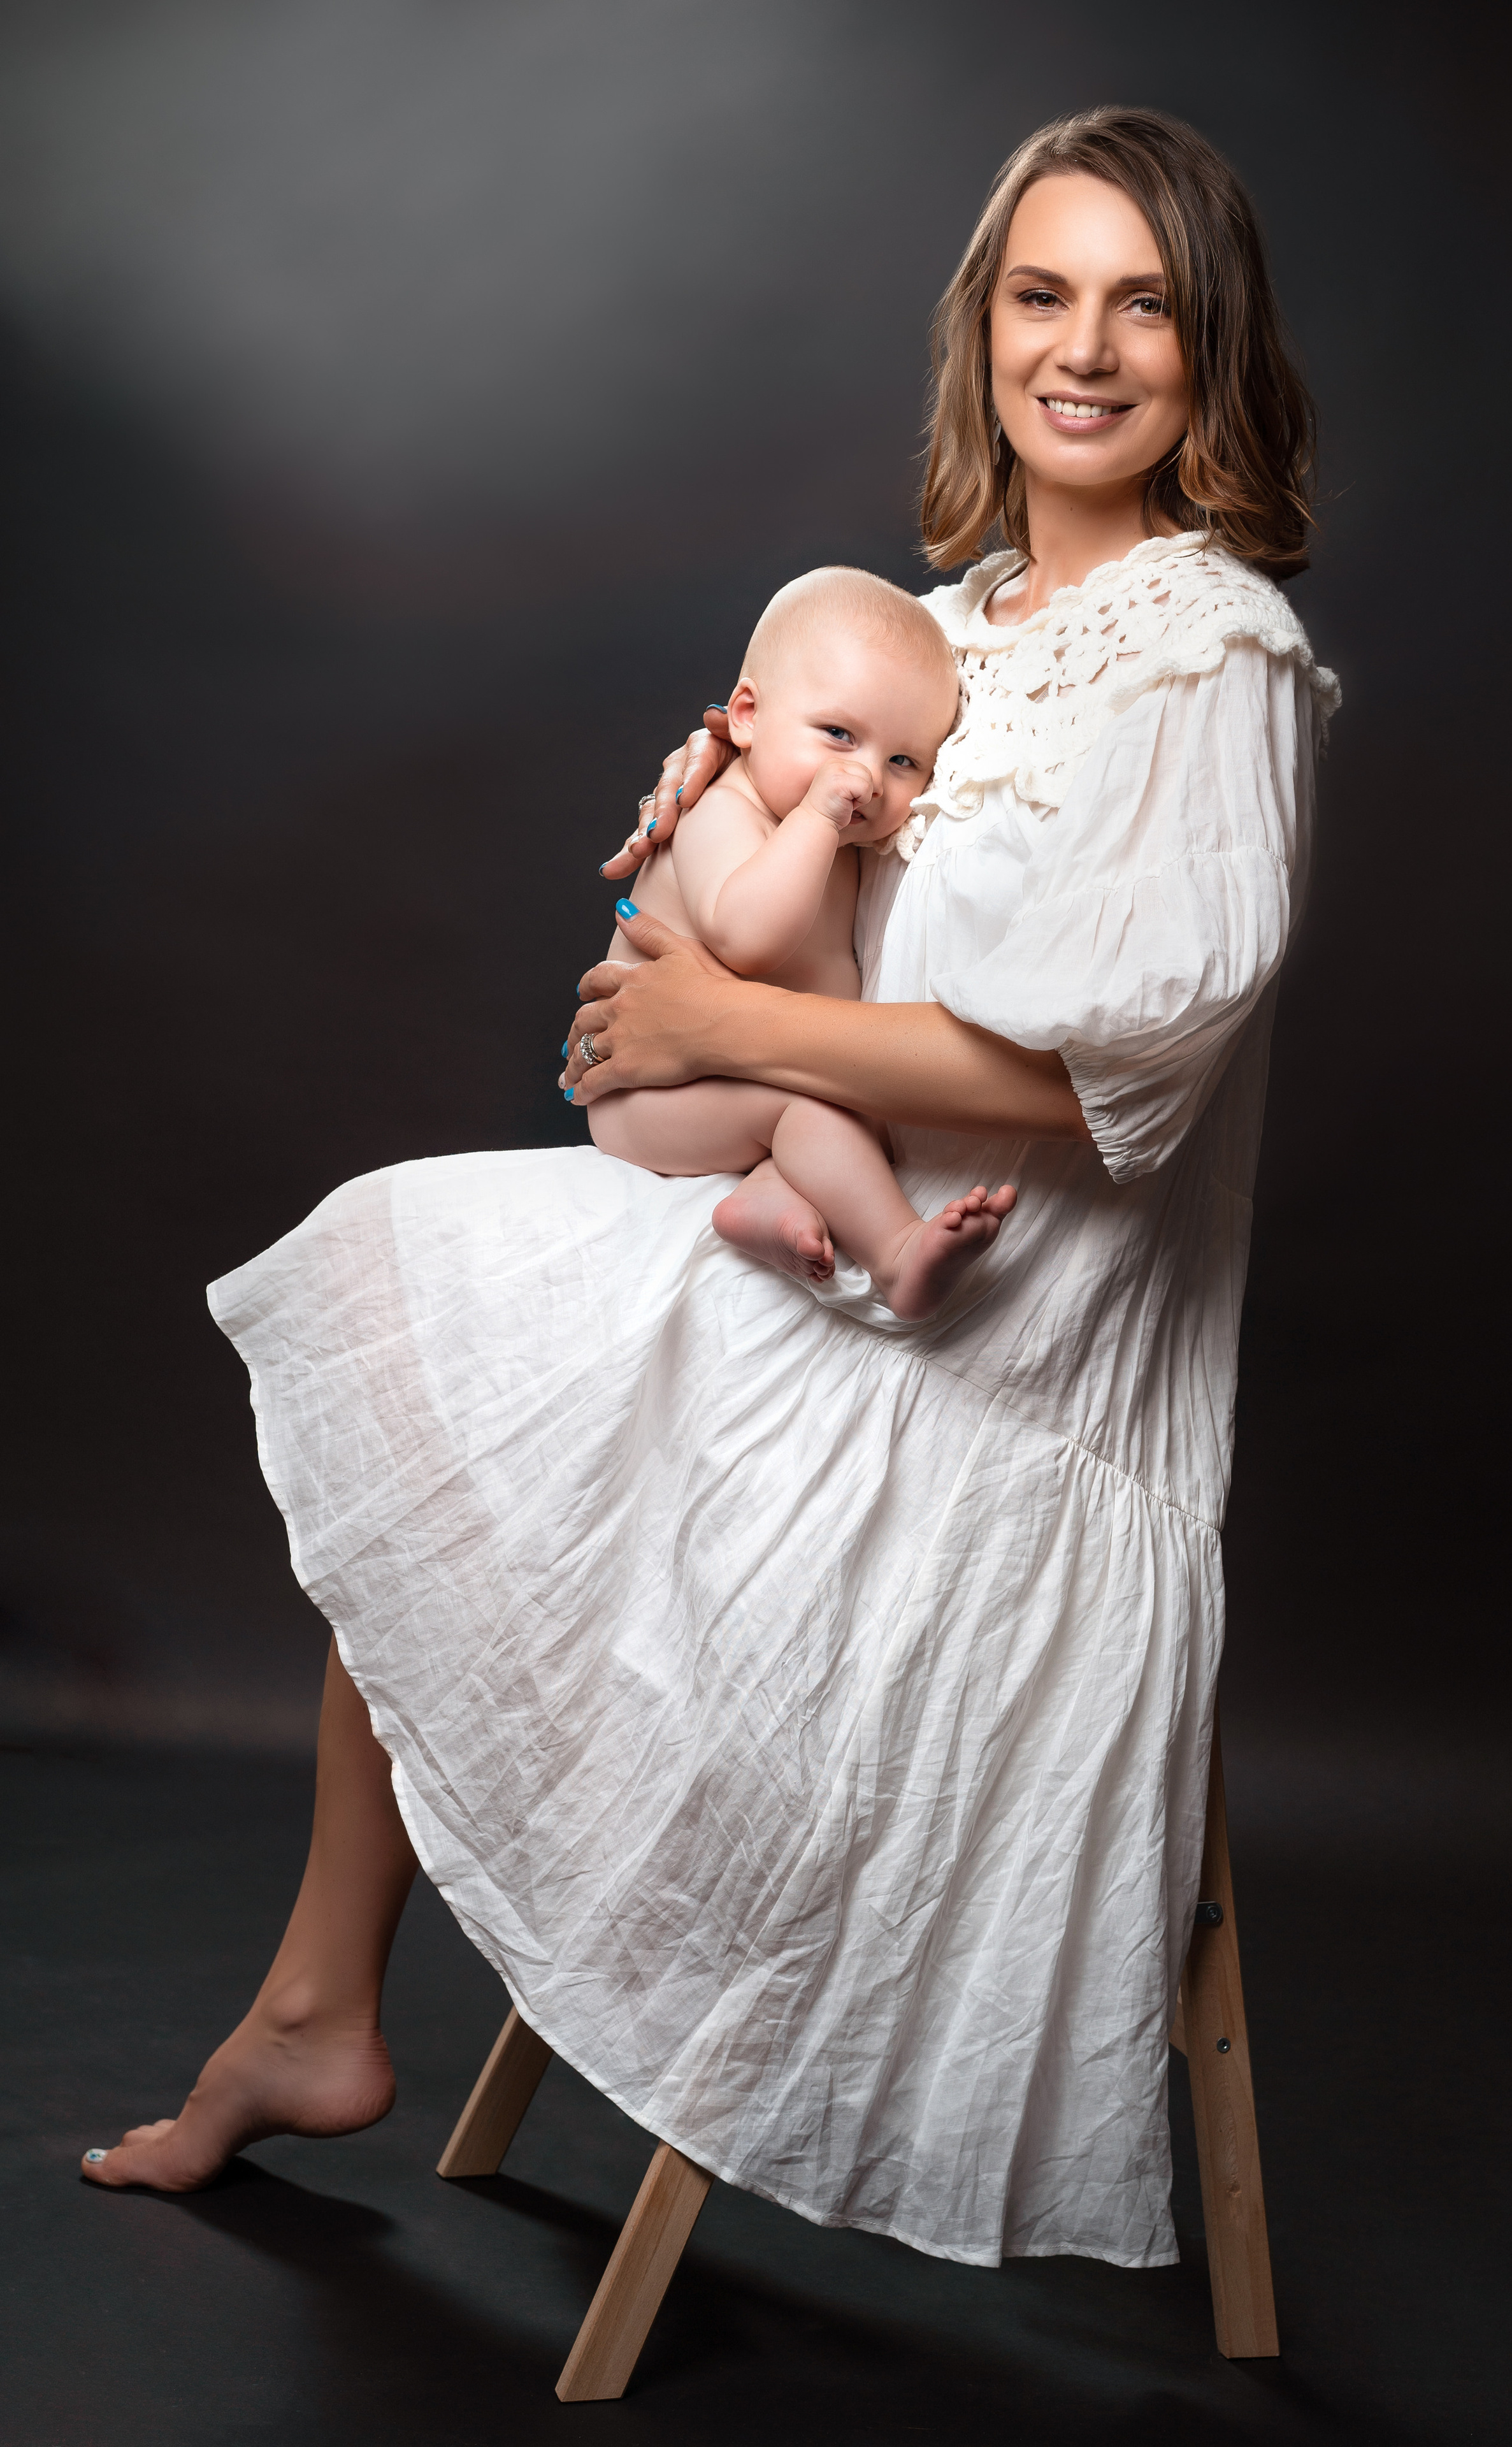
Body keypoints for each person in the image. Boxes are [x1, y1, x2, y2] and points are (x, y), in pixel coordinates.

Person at [82, 107, 1337, 2281]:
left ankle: (326, 2004)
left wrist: (731, 1028)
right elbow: (803, 911)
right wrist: (706, 851)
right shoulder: (934, 632)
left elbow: (1112, 1066)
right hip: (825, 1241)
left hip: (994, 1355)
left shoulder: (1209, 655)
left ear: (1210, 347)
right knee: (433, 1317)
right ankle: (316, 2006)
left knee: (489, 1353)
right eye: (1042, 294)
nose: (1085, 348)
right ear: (984, 328)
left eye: (1144, 305)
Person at [585, 563, 1017, 1318]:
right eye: (839, 735)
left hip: (745, 1075)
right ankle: (897, 1254)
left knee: (843, 1103)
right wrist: (817, 819)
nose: (866, 777)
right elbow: (748, 942)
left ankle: (764, 1200)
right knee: (808, 1108)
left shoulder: (837, 834)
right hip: (651, 1095)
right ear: (747, 716)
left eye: (903, 762)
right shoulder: (725, 814)